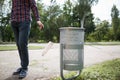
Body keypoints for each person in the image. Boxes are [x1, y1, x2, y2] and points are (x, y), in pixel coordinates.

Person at [11, 0, 44, 79]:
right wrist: (11, 18)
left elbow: (33, 6)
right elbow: (13, 7)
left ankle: (25, 68)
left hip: (24, 21)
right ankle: (22, 66)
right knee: (19, 45)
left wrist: (38, 19)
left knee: (22, 43)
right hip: (14, 22)